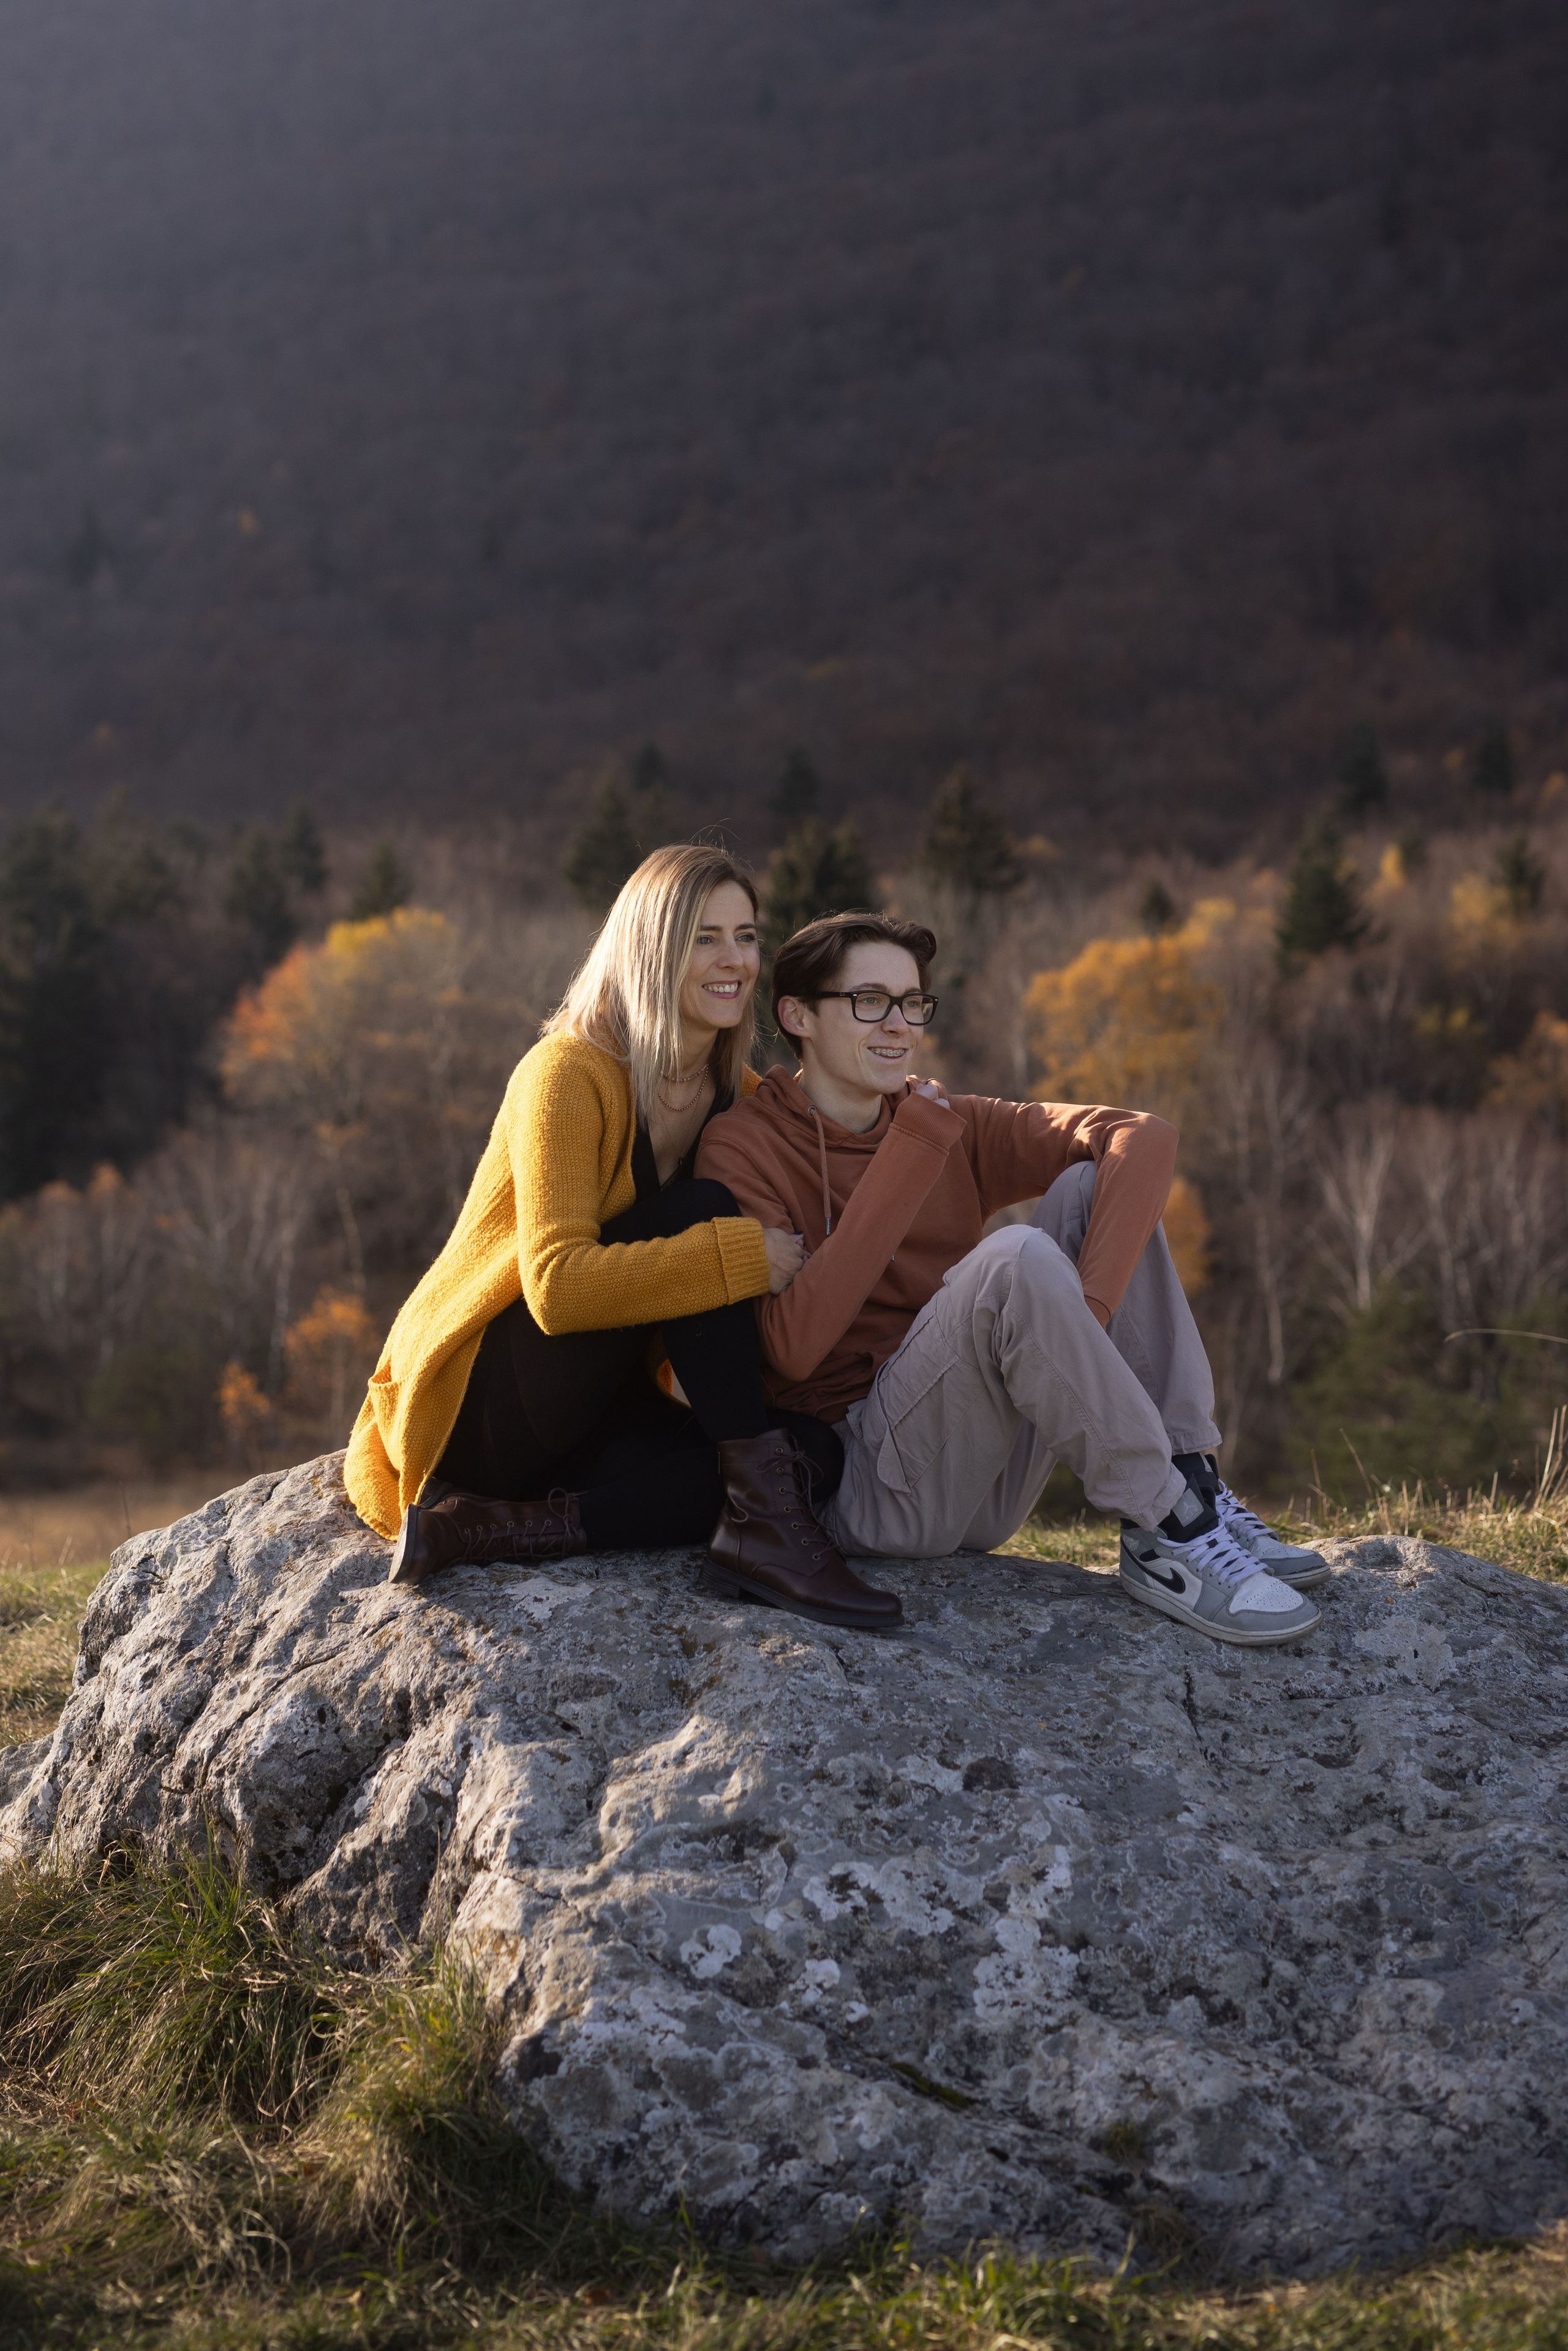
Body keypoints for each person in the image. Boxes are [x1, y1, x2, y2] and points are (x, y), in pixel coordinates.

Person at [695, 910, 1328, 1648]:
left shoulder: (939, 1116)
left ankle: (1192, 1480)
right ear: (797, 1014)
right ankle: (1168, 1523)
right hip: (871, 1488)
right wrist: (908, 1156)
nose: (897, 1025)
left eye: (911, 1003)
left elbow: (1142, 1136)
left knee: (1093, 1187)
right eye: (868, 1001)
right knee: (1014, 1257)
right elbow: (790, 1350)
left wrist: (1082, 1322)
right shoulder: (745, 1143)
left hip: (982, 1473)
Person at [344, 847, 900, 1628]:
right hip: (486, 1410)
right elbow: (558, 1289)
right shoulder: (568, 1073)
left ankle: (495, 1530)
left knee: (809, 1455)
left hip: (596, 1417)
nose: (735, 960)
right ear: (651, 947)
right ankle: (765, 1534)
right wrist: (738, 1257)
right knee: (704, 1208)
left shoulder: (732, 1098)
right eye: (704, 937)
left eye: (745, 935)